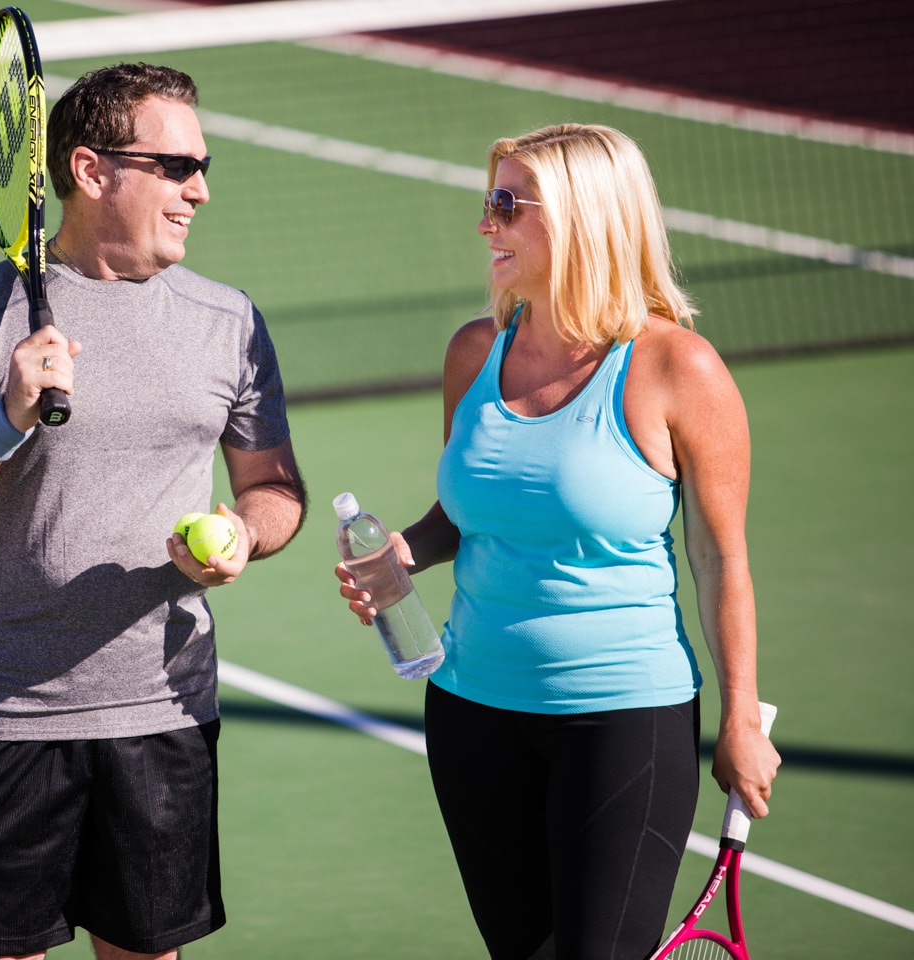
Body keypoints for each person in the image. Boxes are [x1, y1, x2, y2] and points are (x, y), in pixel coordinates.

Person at [0, 62, 306, 960]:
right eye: (177, 166)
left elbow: (275, 487)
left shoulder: (229, 321)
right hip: (10, 714)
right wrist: (2, 423)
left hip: (166, 710)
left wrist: (248, 537)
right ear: (91, 169)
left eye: (204, 164)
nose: (202, 190)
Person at [334, 123, 781, 959]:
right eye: (488, 201)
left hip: (622, 720)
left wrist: (740, 719)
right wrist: (405, 552)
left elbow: (721, 557)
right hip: (471, 713)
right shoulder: (475, 353)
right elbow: (464, 514)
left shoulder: (678, 368)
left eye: (508, 204)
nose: (486, 224)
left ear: (582, 217)